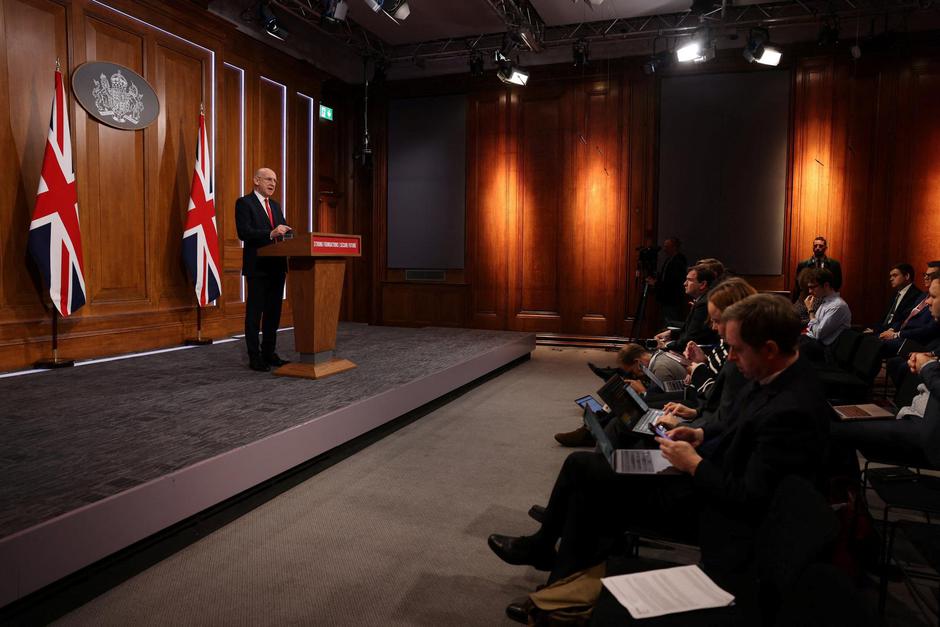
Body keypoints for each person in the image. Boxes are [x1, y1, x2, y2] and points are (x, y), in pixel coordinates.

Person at [487, 294, 831, 590]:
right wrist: (698, 433)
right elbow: (735, 424)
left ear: (769, 349)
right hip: (704, 474)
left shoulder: (790, 410)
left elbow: (748, 499)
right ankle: (553, 570)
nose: (729, 357)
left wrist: (692, 463)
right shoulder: (774, 375)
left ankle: (556, 581)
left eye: (737, 349)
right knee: (586, 468)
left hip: (712, 508)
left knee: (591, 485)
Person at [832, 273, 940, 468]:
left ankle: (845, 493)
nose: (928, 302)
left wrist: (928, 366)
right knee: (832, 417)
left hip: (927, 434)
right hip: (913, 416)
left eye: (933, 297)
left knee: (834, 429)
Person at [235, 168, 293, 372]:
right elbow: (244, 232)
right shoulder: (244, 203)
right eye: (269, 179)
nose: (273, 183)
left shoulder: (275, 206)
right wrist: (270, 233)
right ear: (256, 180)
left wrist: (288, 233)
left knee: (273, 313)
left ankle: (269, 352)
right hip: (257, 267)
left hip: (277, 267)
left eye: (275, 181)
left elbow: (283, 229)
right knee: (255, 313)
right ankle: (255, 356)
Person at [556, 344, 652, 448]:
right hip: (654, 401)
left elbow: (659, 398)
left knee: (623, 403)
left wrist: (642, 391)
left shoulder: (659, 367)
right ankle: (592, 427)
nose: (636, 374)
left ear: (637, 362)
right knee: (619, 394)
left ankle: (589, 433)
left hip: (656, 410)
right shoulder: (653, 364)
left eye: (632, 370)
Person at [801, 267, 851, 361]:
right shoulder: (825, 301)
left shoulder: (838, 305)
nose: (810, 291)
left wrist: (810, 310)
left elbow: (818, 333)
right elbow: (814, 330)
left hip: (825, 352)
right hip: (816, 344)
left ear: (826, 285)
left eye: (812, 287)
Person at [866, 263, 922, 334]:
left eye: (895, 275)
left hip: (896, 333)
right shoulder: (895, 293)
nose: (891, 279)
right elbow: (886, 317)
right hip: (883, 330)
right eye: (891, 276)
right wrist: (874, 329)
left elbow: (901, 320)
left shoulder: (916, 295)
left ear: (907, 276)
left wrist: (877, 330)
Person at [646, 237, 687, 325]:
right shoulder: (669, 259)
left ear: (674, 247)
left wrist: (656, 283)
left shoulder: (678, 261)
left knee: (671, 322)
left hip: (672, 299)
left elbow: (673, 282)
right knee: (666, 320)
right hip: (666, 298)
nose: (664, 249)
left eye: (667, 247)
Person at [792, 236, 842, 300]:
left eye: (821, 246)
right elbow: (798, 285)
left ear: (825, 248)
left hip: (827, 299)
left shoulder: (834, 264)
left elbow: (837, 284)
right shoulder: (803, 265)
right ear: (813, 247)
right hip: (808, 298)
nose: (817, 248)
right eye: (815, 246)